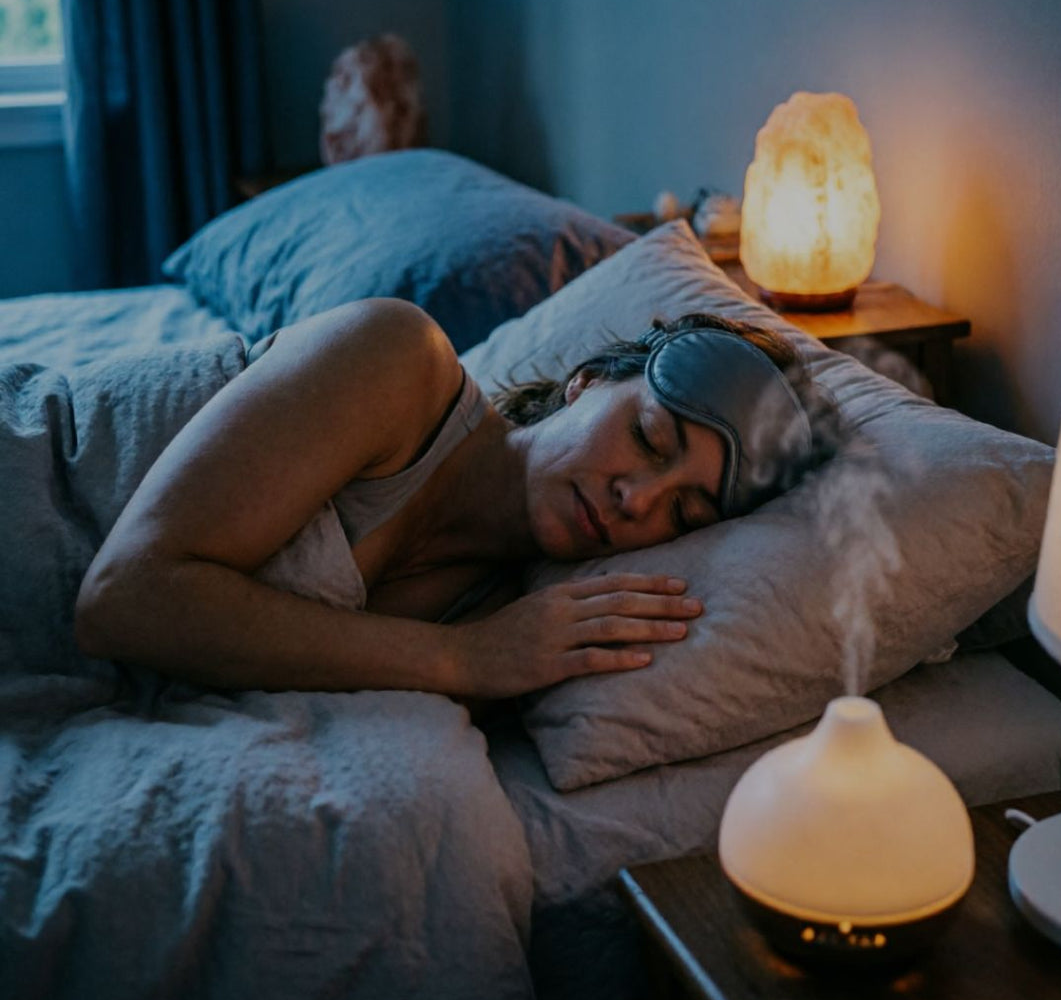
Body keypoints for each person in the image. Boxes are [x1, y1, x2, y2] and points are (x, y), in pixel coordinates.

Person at [74, 299, 838, 702]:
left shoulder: (507, 612)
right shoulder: (399, 362)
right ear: (589, 380)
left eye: (685, 515)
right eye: (647, 437)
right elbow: (122, 598)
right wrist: (459, 660)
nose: (637, 499)